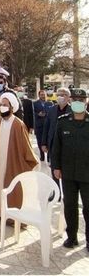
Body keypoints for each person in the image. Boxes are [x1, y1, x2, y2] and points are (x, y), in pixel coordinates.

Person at [0, 92, 39, 218]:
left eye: (5, 105)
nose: (2, 107)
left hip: (13, 163)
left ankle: (13, 215)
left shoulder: (18, 124)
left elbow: (26, 148)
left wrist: (31, 161)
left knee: (12, 187)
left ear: (12, 108)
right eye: (1, 104)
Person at [52, 88, 89, 250]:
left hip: (87, 173)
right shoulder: (63, 121)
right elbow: (56, 147)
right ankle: (72, 237)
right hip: (68, 172)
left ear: (86, 102)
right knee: (70, 206)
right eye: (75, 100)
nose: (78, 103)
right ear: (71, 102)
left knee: (88, 208)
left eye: (81, 100)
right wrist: (56, 167)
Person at [41, 87, 71, 162]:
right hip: (53, 142)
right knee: (54, 166)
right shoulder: (52, 110)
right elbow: (46, 127)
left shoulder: (72, 110)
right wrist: (44, 143)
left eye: (64, 95)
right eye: (59, 95)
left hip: (67, 143)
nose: (61, 97)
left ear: (69, 97)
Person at [33, 90, 53, 162]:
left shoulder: (50, 103)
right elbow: (32, 113)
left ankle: (48, 156)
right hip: (39, 126)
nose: (43, 96)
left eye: (44, 94)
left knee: (48, 141)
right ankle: (42, 155)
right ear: (39, 95)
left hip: (48, 126)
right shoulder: (35, 103)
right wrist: (38, 114)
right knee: (40, 141)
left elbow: (52, 113)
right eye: (41, 95)